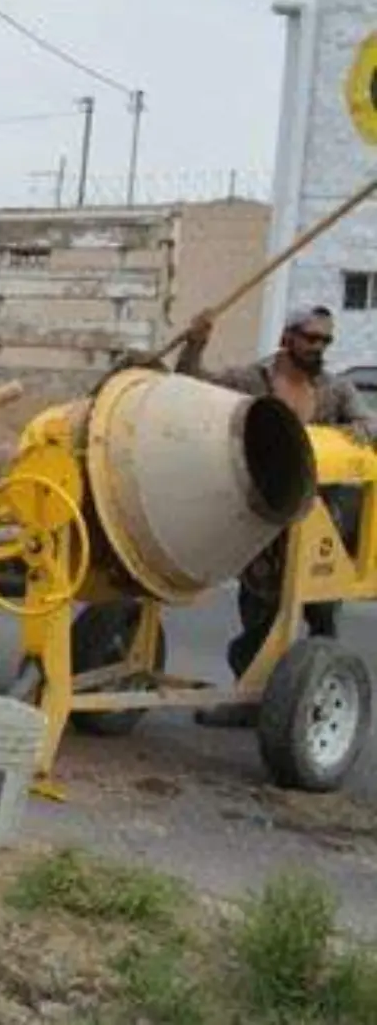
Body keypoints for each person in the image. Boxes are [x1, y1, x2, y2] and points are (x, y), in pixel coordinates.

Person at [175, 303, 374, 727]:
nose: (319, 347)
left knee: (320, 619)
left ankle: (313, 706)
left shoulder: (335, 391)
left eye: (325, 340)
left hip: (319, 522)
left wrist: (356, 430)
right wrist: (195, 344)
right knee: (259, 618)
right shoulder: (255, 381)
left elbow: (364, 424)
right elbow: (193, 386)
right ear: (288, 338)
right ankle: (249, 699)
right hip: (267, 519)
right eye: (311, 337)